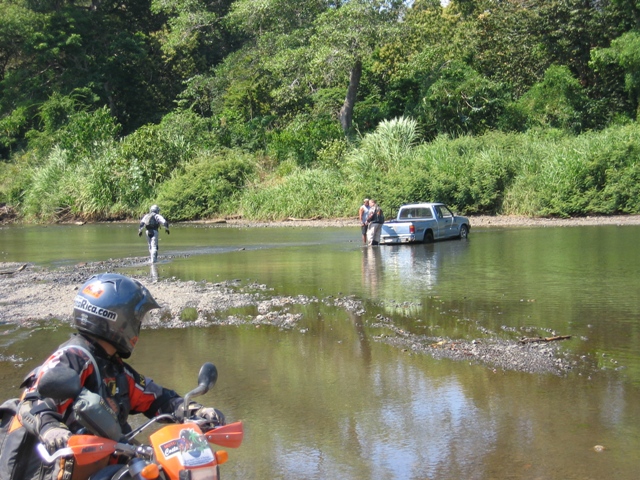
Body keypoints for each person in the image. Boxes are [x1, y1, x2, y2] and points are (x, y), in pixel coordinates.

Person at [0, 273, 224, 480]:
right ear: (119, 320)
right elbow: (32, 403)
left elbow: (157, 398)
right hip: (61, 470)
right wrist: (51, 429)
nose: (139, 326)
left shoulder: (115, 368)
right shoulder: (73, 358)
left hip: (106, 468)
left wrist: (196, 411)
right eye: (137, 319)